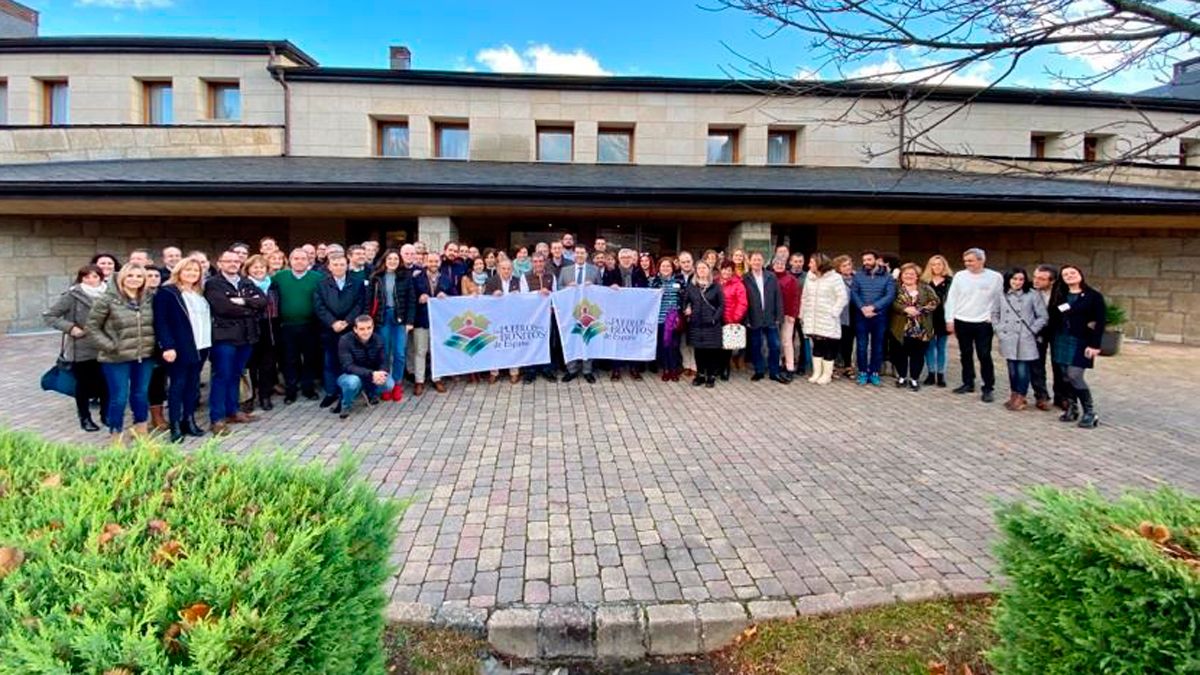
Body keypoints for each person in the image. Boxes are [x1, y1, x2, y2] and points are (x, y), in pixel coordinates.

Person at [85, 263, 156, 442]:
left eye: (139, 276)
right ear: (122, 277)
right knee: (119, 396)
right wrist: (110, 346)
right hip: (116, 358)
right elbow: (92, 327)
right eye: (130, 275)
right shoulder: (107, 299)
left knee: (140, 394)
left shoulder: (149, 298)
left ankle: (141, 430)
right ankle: (115, 435)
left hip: (144, 355)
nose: (135, 279)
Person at [43, 264, 110, 432]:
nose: (91, 280)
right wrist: (70, 328)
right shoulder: (73, 295)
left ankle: (105, 414)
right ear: (81, 278)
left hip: (107, 345)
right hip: (82, 347)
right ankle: (85, 417)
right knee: (84, 384)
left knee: (106, 382)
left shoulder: (110, 293)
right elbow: (50, 315)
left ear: (101, 277)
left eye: (95, 276)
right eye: (87, 277)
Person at [206, 249, 266, 433]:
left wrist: (241, 302)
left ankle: (233, 411)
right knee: (222, 376)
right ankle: (216, 418)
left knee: (236, 374)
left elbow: (262, 301)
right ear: (220, 263)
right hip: (225, 338)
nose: (233, 264)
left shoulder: (245, 281)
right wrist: (249, 306)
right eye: (228, 261)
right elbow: (223, 307)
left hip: (246, 336)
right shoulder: (214, 284)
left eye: (236, 261)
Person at [153, 258, 212, 441]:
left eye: (195, 271)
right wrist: (168, 346)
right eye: (188, 270)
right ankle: (175, 425)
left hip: (201, 345)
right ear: (179, 271)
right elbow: (161, 322)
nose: (192, 273)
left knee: (192, 386)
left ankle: (189, 420)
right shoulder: (168, 292)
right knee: (177, 386)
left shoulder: (199, 293)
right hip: (180, 347)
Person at [1047, 265, 1106, 428]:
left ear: (1080, 274)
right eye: (1065, 274)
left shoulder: (1093, 296)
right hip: (1060, 339)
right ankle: (1072, 408)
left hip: (1081, 341)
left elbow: (1100, 322)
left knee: (1074, 375)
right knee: (1064, 376)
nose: (1069, 276)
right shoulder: (1060, 295)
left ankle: (1090, 412)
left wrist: (1095, 345)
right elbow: (1053, 315)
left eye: (1073, 273)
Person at [945, 247, 1004, 402]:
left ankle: (988, 387)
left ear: (981, 260)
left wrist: (994, 317)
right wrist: (949, 319)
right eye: (965, 261)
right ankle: (968, 382)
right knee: (965, 354)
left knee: (984, 354)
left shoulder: (995, 277)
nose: (967, 264)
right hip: (962, 320)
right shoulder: (960, 276)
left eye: (970, 261)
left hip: (984, 322)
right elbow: (952, 298)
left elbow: (999, 299)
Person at [314, 254, 366, 412]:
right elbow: (319, 306)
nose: (338, 267)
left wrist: (347, 322)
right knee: (330, 363)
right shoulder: (321, 284)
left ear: (347, 265)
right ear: (329, 267)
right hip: (329, 329)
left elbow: (360, 304)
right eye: (335, 264)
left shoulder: (356, 284)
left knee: (348, 363)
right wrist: (333, 323)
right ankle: (331, 393)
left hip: (350, 330)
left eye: (342, 264)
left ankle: (346, 394)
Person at [273, 247, 325, 404]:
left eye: (303, 258)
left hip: (310, 325)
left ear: (309, 260)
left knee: (309, 358)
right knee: (290, 359)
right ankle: (291, 390)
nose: (299, 261)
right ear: (290, 260)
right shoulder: (280, 277)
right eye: (296, 258)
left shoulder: (317, 277)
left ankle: (308, 388)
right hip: (287, 326)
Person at [994, 267, 1049, 411]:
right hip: (1008, 336)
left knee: (1023, 368)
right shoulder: (1001, 294)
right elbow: (995, 313)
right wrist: (999, 329)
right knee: (1012, 368)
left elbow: (1043, 316)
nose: (1017, 282)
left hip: (1025, 337)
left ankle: (1021, 396)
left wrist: (1032, 330)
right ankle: (1014, 393)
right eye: (1014, 279)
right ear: (1008, 279)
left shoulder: (1032, 294)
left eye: (1021, 279)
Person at [368, 249, 415, 402]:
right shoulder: (376, 277)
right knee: (385, 353)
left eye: (396, 259)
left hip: (399, 318)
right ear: (384, 260)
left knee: (400, 353)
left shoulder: (405, 277)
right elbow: (369, 300)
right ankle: (386, 385)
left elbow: (411, 300)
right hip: (382, 318)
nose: (393, 261)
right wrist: (369, 320)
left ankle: (397, 384)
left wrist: (409, 321)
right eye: (390, 258)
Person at [410, 252, 457, 395]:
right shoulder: (417, 279)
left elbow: (455, 298)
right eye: (430, 261)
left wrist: (446, 297)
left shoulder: (447, 279)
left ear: (440, 263)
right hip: (421, 320)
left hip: (439, 323)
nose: (433, 264)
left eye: (436, 261)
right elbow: (410, 298)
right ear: (425, 262)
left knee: (437, 352)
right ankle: (419, 381)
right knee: (420, 351)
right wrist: (419, 298)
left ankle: (437, 378)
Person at [889, 263, 940, 392]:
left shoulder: (925, 288)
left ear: (917, 276)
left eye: (912, 274)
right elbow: (891, 302)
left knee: (917, 355)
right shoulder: (896, 288)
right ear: (901, 276)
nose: (909, 276)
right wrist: (905, 309)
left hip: (921, 328)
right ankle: (901, 377)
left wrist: (919, 310)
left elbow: (935, 301)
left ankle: (914, 379)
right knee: (900, 354)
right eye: (906, 274)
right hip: (900, 327)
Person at [799, 254, 849, 385]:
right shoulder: (810, 278)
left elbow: (842, 297)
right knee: (817, 345)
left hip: (828, 318)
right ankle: (817, 373)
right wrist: (802, 314)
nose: (809, 265)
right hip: (813, 317)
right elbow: (804, 297)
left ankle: (827, 374)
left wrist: (834, 312)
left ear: (820, 264)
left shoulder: (835, 278)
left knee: (829, 346)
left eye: (811, 262)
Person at [850, 250, 896, 387]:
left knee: (878, 346)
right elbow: (854, 293)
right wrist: (863, 308)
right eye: (864, 260)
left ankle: (874, 372)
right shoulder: (858, 276)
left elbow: (889, 295)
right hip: (861, 316)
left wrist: (874, 308)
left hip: (879, 317)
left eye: (869, 260)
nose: (866, 263)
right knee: (861, 346)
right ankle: (863, 372)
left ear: (877, 260)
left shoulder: (887, 277)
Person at [603, 248, 649, 381]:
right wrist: (610, 288)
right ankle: (616, 369)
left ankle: (634, 368)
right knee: (617, 339)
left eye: (628, 257)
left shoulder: (639, 272)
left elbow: (645, 290)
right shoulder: (612, 273)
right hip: (617, 313)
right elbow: (604, 290)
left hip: (635, 312)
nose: (626, 260)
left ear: (632, 259)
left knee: (633, 340)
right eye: (623, 258)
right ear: (619, 259)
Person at [334, 315, 392, 420]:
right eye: (362, 329)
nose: (366, 332)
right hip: (348, 375)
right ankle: (346, 405)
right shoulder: (345, 340)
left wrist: (381, 373)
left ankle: (370, 392)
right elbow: (348, 366)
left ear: (373, 327)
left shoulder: (378, 339)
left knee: (389, 383)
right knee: (353, 382)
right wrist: (371, 374)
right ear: (355, 329)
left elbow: (384, 361)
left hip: (370, 375)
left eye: (369, 328)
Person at [559, 245, 602, 383]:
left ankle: (587, 370)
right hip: (569, 311)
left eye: (582, 253)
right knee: (570, 338)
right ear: (573, 255)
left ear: (586, 254)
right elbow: (558, 288)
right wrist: (566, 287)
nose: (579, 255)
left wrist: (593, 287)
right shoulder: (565, 271)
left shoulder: (594, 270)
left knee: (588, 338)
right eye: (577, 253)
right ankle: (571, 370)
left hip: (588, 311)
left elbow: (601, 290)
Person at [743, 251, 788, 384]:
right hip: (754, 317)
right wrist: (746, 319)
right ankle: (759, 371)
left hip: (770, 316)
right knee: (756, 346)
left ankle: (774, 372)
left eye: (759, 260)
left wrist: (779, 316)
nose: (757, 262)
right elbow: (744, 300)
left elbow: (778, 297)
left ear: (763, 262)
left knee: (774, 345)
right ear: (750, 262)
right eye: (754, 260)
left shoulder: (771, 276)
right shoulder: (746, 278)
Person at [244, 254, 280, 411]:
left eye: (262, 267)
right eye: (255, 267)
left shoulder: (273, 285)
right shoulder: (244, 285)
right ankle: (249, 397)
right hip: (252, 327)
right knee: (251, 365)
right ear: (248, 270)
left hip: (271, 327)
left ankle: (265, 396)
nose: (258, 270)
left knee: (267, 365)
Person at [681, 261, 725, 388]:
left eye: (704, 268)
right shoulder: (691, 286)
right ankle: (700, 374)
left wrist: (714, 319)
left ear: (708, 270)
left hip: (711, 324)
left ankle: (710, 376)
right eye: (699, 268)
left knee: (711, 351)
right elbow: (685, 301)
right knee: (699, 351)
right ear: (696, 270)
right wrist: (687, 309)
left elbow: (721, 305)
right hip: (696, 324)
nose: (701, 270)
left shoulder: (715, 286)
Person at [484, 259, 523, 384]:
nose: (506, 271)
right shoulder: (491, 281)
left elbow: (526, 298)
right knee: (495, 345)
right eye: (503, 268)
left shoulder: (518, 280)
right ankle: (494, 372)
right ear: (499, 269)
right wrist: (492, 294)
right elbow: (484, 297)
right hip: (496, 318)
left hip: (513, 317)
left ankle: (514, 372)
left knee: (513, 343)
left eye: (509, 268)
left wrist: (519, 295)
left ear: (512, 269)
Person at [521, 252, 558, 383]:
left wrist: (550, 294)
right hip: (532, 316)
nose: (538, 264)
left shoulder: (551, 276)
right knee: (532, 341)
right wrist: (538, 292)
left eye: (540, 261)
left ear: (544, 262)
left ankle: (546, 369)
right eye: (535, 261)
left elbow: (556, 295)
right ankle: (530, 371)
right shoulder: (525, 277)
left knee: (547, 342)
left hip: (547, 315)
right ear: (532, 263)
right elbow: (524, 297)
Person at [1029, 264, 1062, 411]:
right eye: (1035, 277)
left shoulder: (1062, 292)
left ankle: (1061, 397)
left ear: (1052, 281)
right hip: (1036, 330)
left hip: (1057, 330)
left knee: (1059, 364)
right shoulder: (1028, 290)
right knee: (1036, 364)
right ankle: (1041, 396)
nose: (1036, 281)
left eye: (1042, 279)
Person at [920, 255, 954, 387]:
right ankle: (930, 373)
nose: (937, 267)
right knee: (929, 347)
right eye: (934, 264)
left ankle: (940, 375)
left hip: (944, 317)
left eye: (939, 264)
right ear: (930, 266)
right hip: (928, 318)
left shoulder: (950, 281)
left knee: (941, 347)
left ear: (944, 266)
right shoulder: (924, 282)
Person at [649, 258, 684, 380]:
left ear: (672, 268)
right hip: (660, 319)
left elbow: (684, 297)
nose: (665, 268)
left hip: (675, 319)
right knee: (664, 346)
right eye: (663, 266)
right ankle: (665, 369)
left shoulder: (679, 281)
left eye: (668, 266)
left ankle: (674, 369)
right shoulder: (653, 281)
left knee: (674, 346)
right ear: (659, 267)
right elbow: (648, 298)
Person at [717, 260, 747, 381]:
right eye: (724, 269)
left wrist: (735, 318)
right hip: (716, 318)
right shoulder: (715, 282)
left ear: (732, 271)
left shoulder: (738, 284)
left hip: (729, 319)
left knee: (727, 347)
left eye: (729, 270)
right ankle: (717, 367)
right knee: (716, 345)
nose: (726, 272)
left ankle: (725, 368)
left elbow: (742, 303)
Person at [773, 256, 800, 379]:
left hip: (787, 315)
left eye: (781, 263)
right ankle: (777, 364)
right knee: (775, 342)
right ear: (773, 265)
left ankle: (790, 366)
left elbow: (796, 298)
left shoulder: (791, 279)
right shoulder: (770, 278)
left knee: (787, 341)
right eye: (777, 263)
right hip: (773, 315)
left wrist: (793, 314)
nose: (779, 265)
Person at [832, 255, 856, 379]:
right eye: (844, 266)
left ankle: (848, 366)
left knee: (849, 342)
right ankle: (835, 366)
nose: (848, 268)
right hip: (840, 315)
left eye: (849, 265)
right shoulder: (835, 280)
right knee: (836, 342)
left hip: (854, 314)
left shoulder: (857, 278)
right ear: (838, 268)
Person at [676, 251, 698, 377]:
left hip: (695, 314)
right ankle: (686, 365)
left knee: (694, 341)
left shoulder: (698, 275)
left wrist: (692, 308)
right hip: (680, 314)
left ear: (692, 261)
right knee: (683, 341)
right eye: (683, 262)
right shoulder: (676, 277)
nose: (686, 264)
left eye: (688, 261)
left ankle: (694, 366)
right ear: (679, 263)